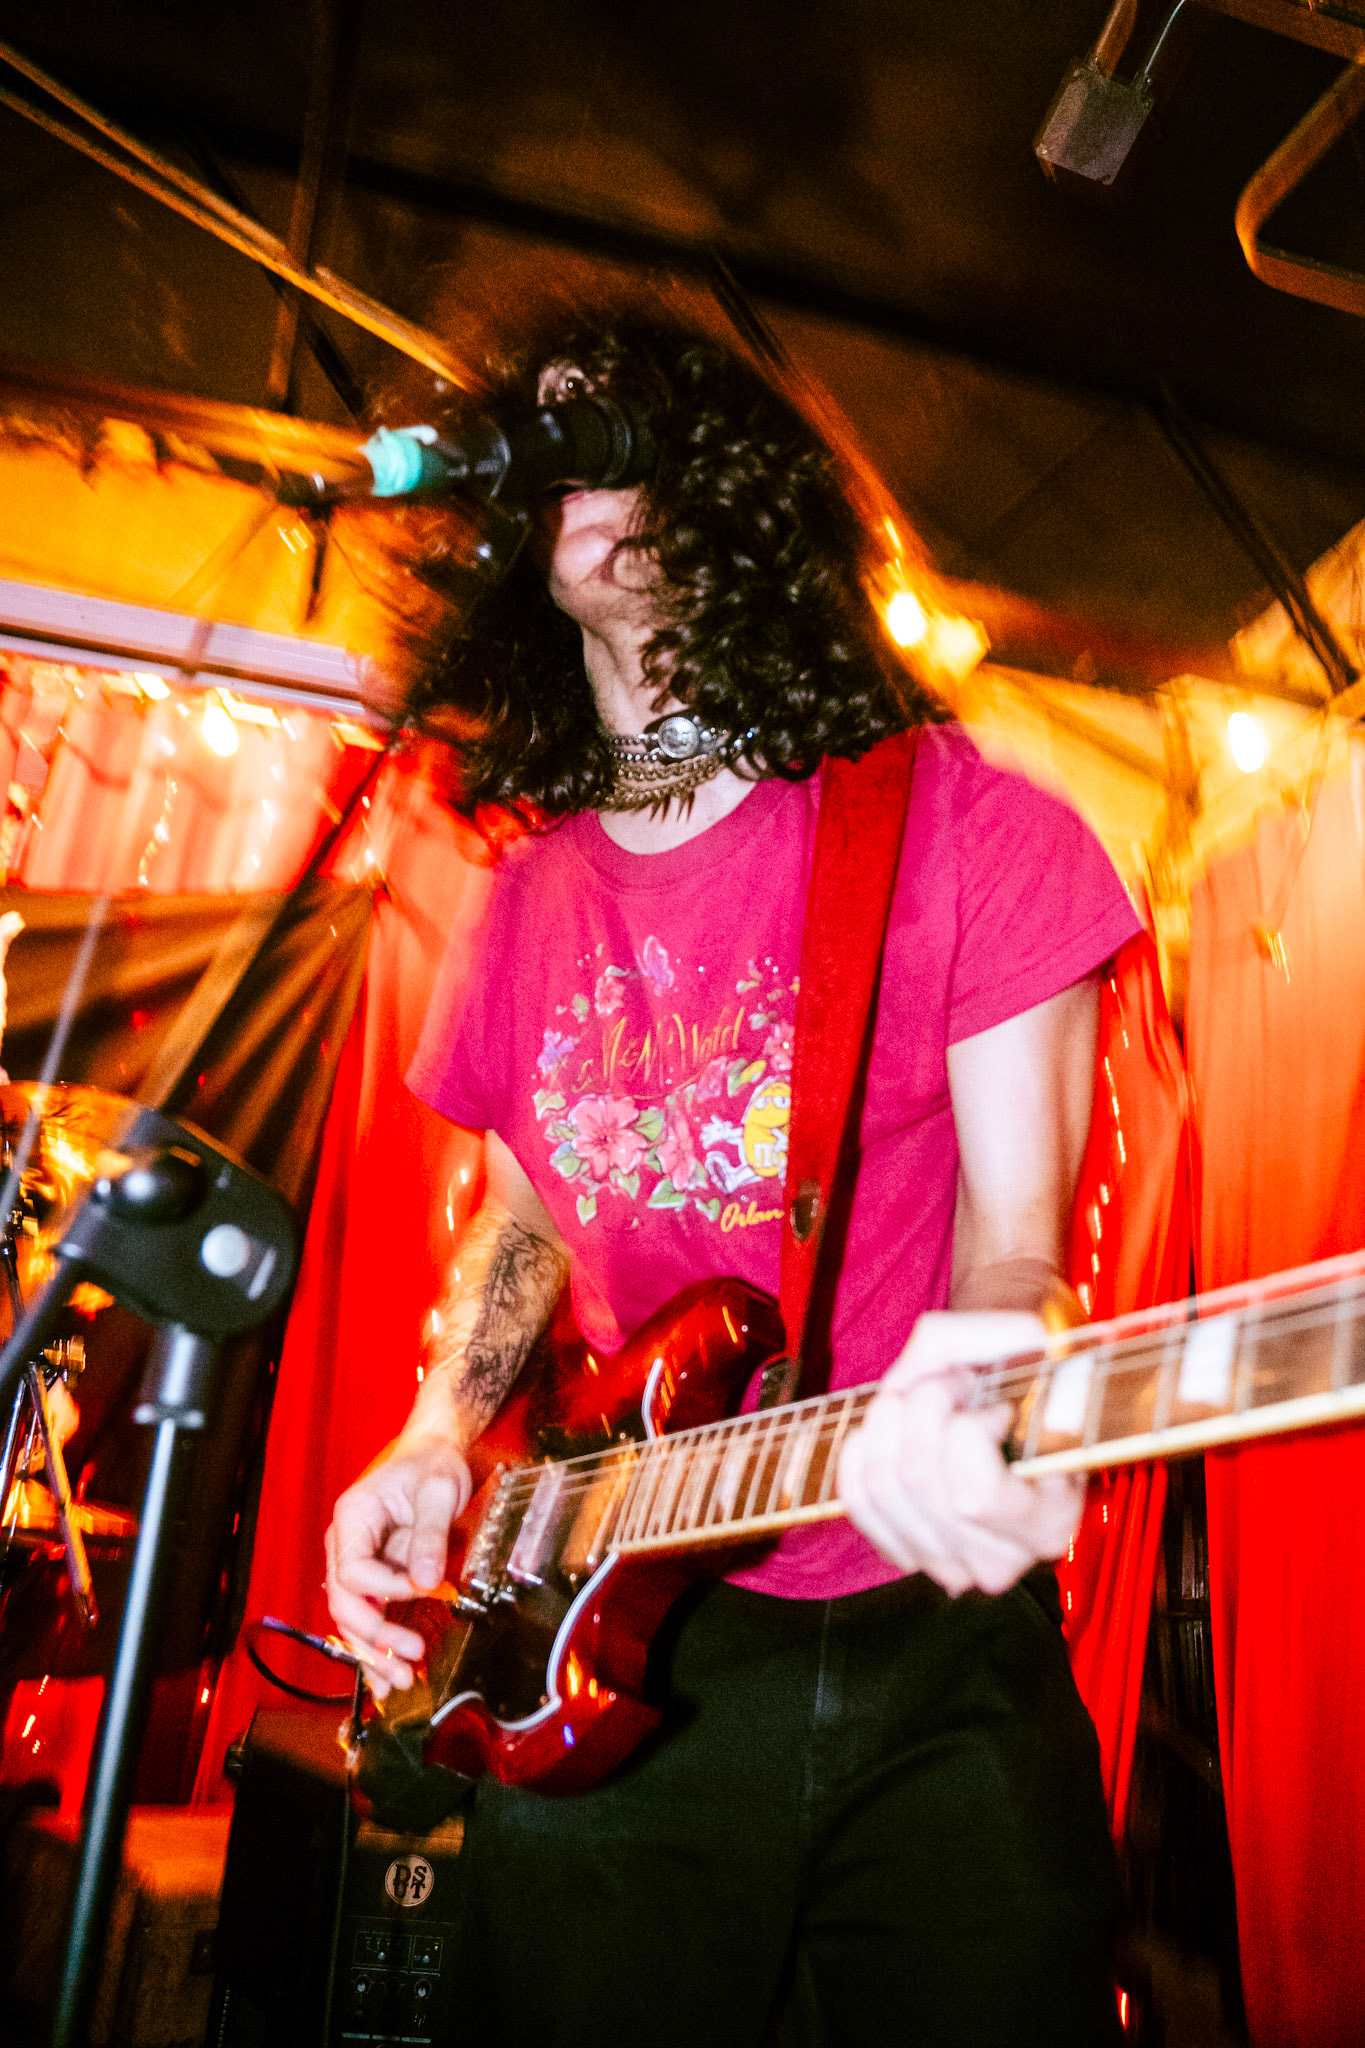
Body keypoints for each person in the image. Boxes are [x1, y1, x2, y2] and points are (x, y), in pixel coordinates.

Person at [326, 307, 1140, 2047]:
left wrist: (997, 1357)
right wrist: (432, 1435)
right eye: (548, 431)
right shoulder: (524, 894)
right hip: (615, 1616)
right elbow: (522, 1220)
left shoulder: (969, 830)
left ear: (736, 497)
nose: (577, 450)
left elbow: (1017, 1246)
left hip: (928, 1622)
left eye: (620, 426)